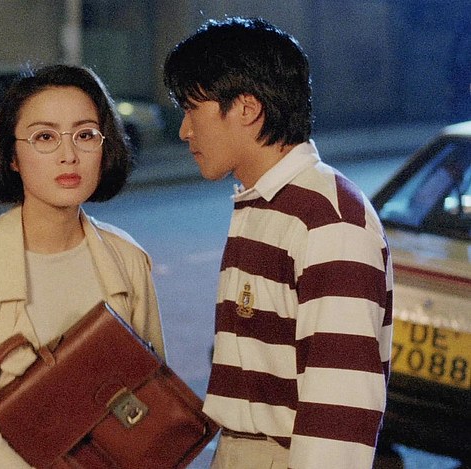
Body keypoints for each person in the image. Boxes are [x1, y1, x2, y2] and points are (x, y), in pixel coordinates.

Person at [0, 64, 165, 467]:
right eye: (45, 137)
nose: (68, 155)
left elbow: (151, 397)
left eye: (85, 135)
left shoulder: (126, 260)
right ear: (12, 156)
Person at [162, 17, 393, 469]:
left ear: (247, 108)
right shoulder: (265, 203)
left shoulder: (328, 218)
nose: (185, 131)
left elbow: (340, 407)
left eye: (193, 109)